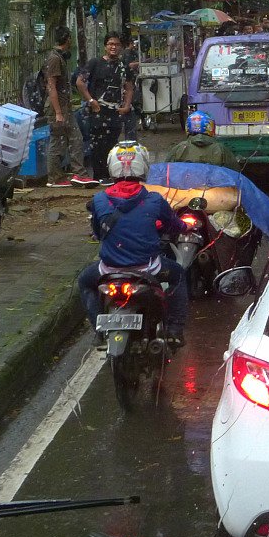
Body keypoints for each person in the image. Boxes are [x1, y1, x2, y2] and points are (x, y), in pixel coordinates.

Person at [77, 142, 189, 347]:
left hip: (108, 269)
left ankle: (98, 330)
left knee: (85, 282)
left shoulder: (99, 199)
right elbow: (174, 225)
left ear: (111, 167)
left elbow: (98, 232)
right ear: (144, 166)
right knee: (179, 275)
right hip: (148, 268)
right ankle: (174, 330)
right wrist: (183, 228)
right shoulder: (154, 200)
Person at [76, 32, 134, 184]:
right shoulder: (95, 63)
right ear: (105, 47)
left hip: (115, 112)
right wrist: (90, 100)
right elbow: (80, 82)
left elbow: (129, 87)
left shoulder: (123, 67)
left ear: (121, 47)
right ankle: (98, 176)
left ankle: (110, 175)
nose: (113, 47)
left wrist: (126, 105)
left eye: (116, 44)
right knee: (97, 145)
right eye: (110, 44)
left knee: (112, 144)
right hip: (98, 111)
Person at [44, 26, 94, 188]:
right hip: (58, 109)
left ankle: (65, 175)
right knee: (66, 140)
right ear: (67, 40)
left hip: (63, 107)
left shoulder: (59, 57)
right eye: (70, 38)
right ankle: (64, 176)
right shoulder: (54, 59)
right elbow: (51, 86)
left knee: (68, 139)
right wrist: (58, 112)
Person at [167, 111, 240, 169]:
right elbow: (235, 174)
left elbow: (166, 172)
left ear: (188, 128)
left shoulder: (180, 148)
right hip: (213, 187)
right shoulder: (221, 150)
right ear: (210, 127)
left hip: (185, 187)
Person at [119, 33, 141, 140]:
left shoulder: (130, 53)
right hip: (128, 83)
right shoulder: (127, 53)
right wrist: (140, 63)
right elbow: (130, 65)